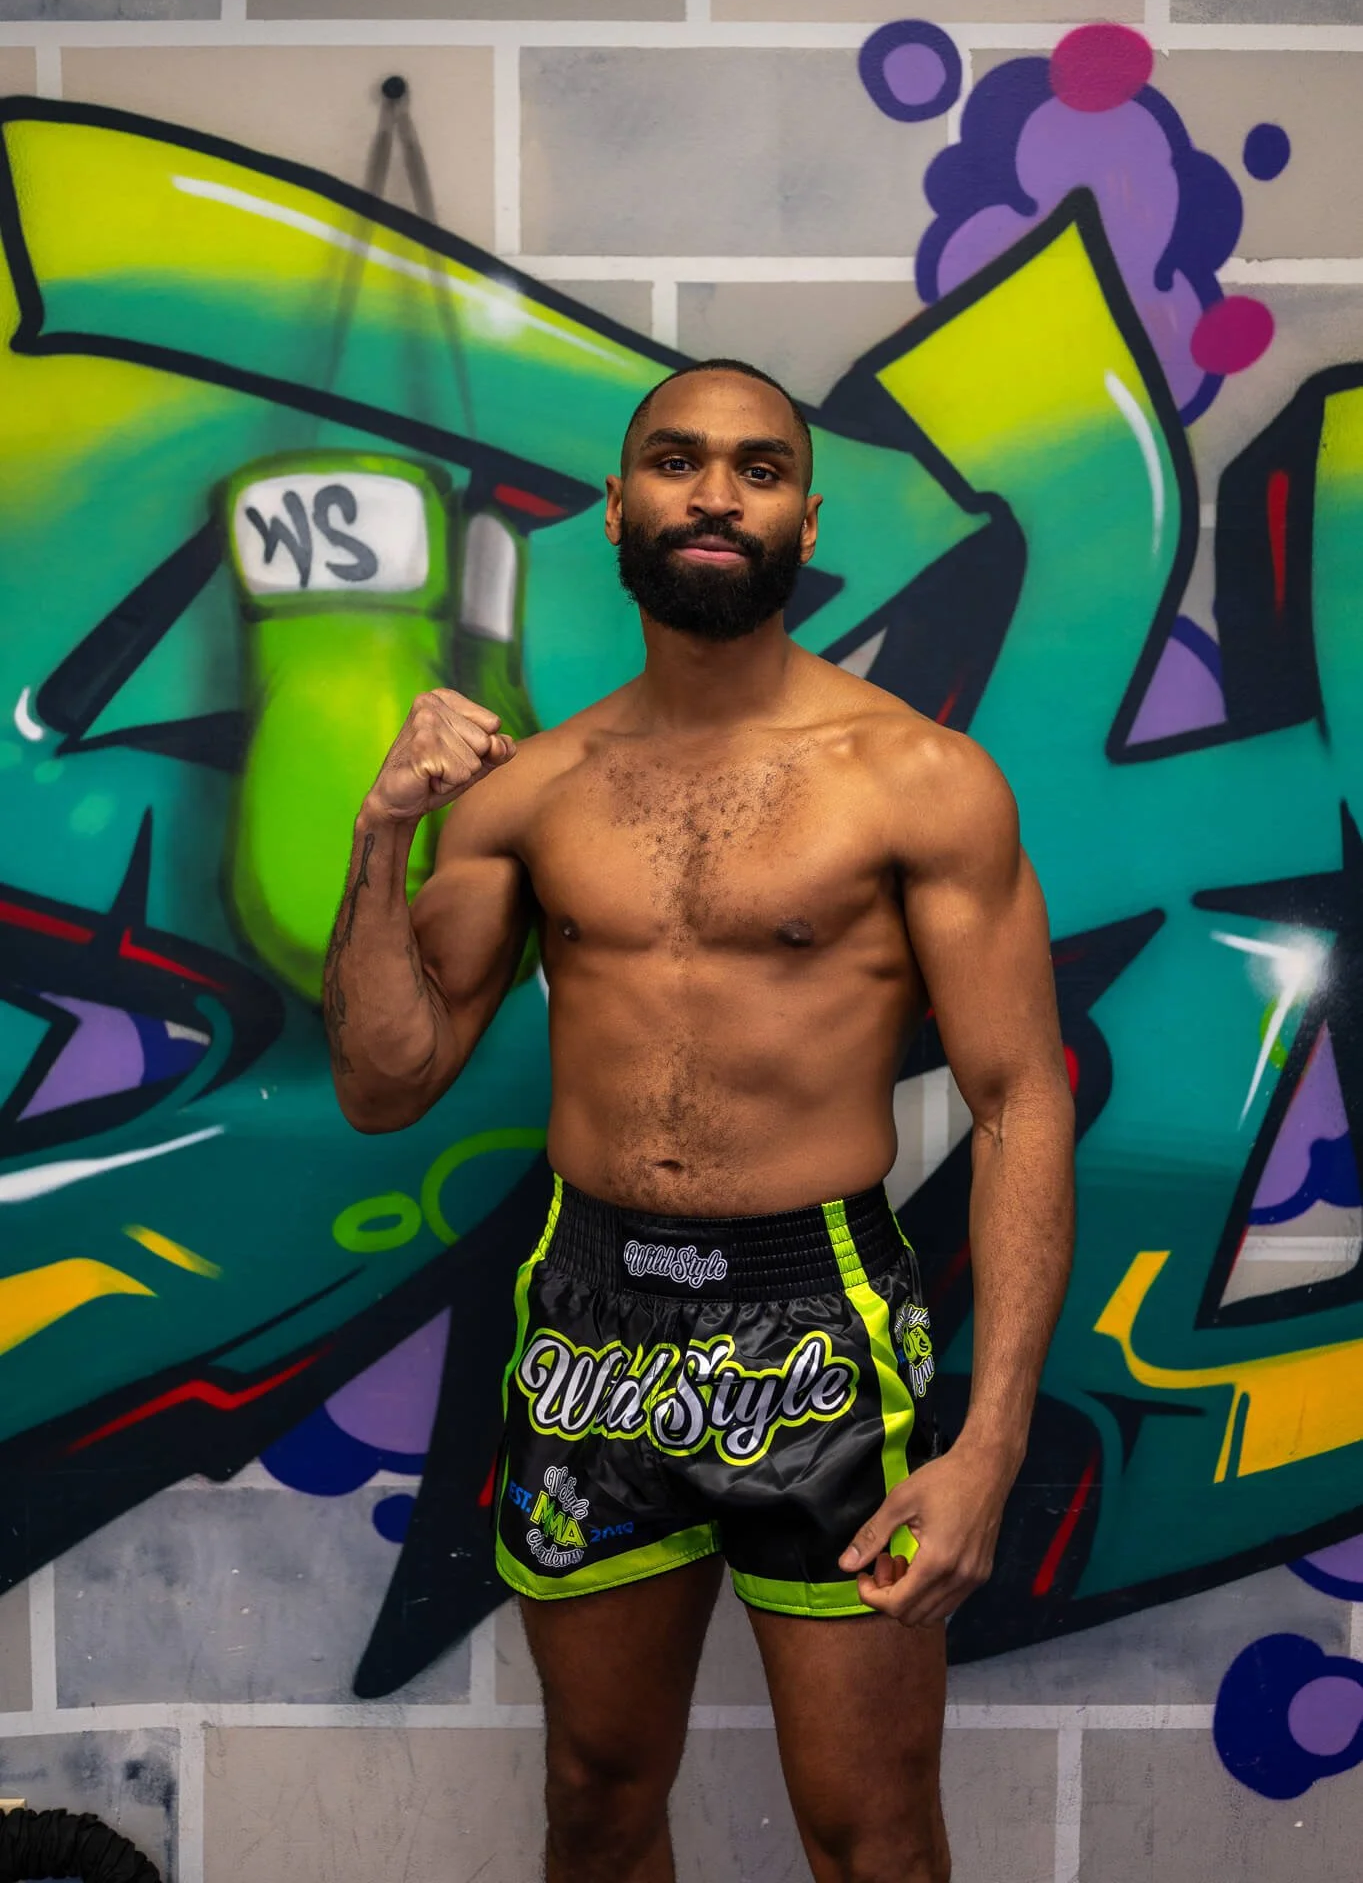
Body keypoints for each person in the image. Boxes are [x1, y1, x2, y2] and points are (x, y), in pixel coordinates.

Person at [323, 358, 1075, 1883]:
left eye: (754, 467)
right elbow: (383, 1079)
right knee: (597, 1797)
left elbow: (1018, 1099)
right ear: (617, 505)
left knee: (866, 1831)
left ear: (805, 514)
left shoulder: (916, 781)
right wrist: (382, 831)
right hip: (589, 1319)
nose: (714, 493)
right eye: (675, 461)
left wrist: (989, 1443)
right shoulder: (528, 792)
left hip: (816, 1322)